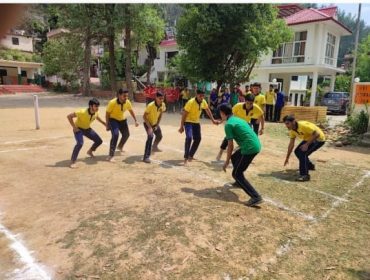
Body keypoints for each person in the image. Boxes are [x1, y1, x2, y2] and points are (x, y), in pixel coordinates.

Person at [219, 103, 263, 207]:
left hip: (249, 148)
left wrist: (226, 161)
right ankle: (239, 182)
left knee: (236, 173)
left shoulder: (229, 124)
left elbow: (230, 145)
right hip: (255, 144)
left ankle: (255, 197)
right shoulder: (237, 119)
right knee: (235, 157)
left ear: (222, 113)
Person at [216, 94, 265, 160]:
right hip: (235, 124)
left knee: (248, 139)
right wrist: (221, 121)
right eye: (247, 103)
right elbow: (227, 114)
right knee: (228, 137)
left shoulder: (256, 107)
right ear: (245, 101)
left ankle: (244, 155)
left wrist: (262, 128)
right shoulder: (238, 106)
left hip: (246, 125)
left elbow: (262, 115)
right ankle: (220, 152)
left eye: (251, 103)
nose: (249, 105)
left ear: (253, 102)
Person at [179, 89, 219, 165]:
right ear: (196, 95)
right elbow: (184, 114)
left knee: (198, 139)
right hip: (188, 122)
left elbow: (207, 110)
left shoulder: (203, 101)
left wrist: (213, 120)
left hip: (196, 122)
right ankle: (186, 157)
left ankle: (191, 155)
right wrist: (181, 126)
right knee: (189, 138)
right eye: (200, 95)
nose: (202, 97)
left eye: (203, 96)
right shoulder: (190, 102)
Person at [283, 115, 326, 182]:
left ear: (293, 122)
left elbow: (317, 134)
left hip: (319, 139)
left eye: (288, 123)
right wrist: (287, 158)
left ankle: (305, 175)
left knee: (303, 153)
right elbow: (291, 144)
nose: (286, 126)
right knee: (297, 151)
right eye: (285, 124)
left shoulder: (303, 125)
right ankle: (309, 166)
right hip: (309, 138)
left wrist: (306, 144)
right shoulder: (292, 131)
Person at [67, 98, 106, 169]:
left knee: (99, 141)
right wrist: (74, 127)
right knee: (80, 143)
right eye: (95, 106)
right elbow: (69, 116)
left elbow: (97, 117)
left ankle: (90, 151)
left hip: (87, 129)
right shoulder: (82, 112)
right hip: (78, 129)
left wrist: (104, 123)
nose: (97, 108)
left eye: (98, 106)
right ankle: (72, 161)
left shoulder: (96, 112)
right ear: (90, 106)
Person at [106, 89, 139, 162]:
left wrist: (135, 120)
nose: (126, 97)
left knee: (126, 134)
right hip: (113, 120)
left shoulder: (127, 102)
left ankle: (120, 147)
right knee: (115, 134)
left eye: (127, 96)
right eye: (124, 96)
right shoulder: (112, 102)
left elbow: (131, 111)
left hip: (122, 120)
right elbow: (107, 113)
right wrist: (107, 124)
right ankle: (110, 155)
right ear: (119, 95)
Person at [143, 91, 166, 163]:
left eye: (163, 98)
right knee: (150, 137)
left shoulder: (163, 104)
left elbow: (161, 114)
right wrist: (149, 127)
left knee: (159, 136)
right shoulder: (150, 105)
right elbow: (144, 117)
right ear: (156, 98)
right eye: (160, 98)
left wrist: (157, 124)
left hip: (155, 123)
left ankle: (154, 147)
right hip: (148, 123)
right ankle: (146, 157)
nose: (161, 100)